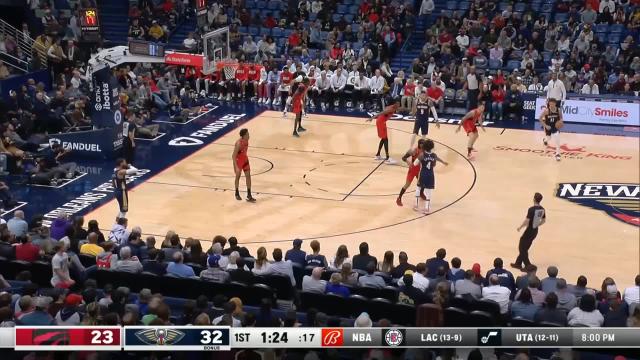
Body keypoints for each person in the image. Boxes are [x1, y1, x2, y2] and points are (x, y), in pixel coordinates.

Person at [511, 192, 546, 270]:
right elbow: (543, 220)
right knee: (525, 248)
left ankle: (528, 265)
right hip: (535, 231)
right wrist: (537, 225)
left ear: (534, 199)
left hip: (529, 231)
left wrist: (520, 227)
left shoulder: (531, 209)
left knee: (522, 248)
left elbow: (527, 220)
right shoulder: (542, 209)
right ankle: (518, 263)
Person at [414, 139, 448, 213]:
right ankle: (427, 208)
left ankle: (416, 205)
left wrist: (420, 161)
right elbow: (435, 164)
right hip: (430, 175)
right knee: (429, 191)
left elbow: (415, 163)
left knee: (418, 188)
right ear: (432, 147)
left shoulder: (422, 155)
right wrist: (443, 162)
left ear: (424, 146)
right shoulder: (434, 155)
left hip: (423, 174)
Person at [397, 139, 425, 207]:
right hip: (412, 169)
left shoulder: (424, 150)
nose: (423, 145)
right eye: (422, 144)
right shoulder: (414, 150)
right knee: (407, 185)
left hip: (419, 169)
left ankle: (421, 193)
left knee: (423, 182)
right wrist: (408, 162)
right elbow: (403, 158)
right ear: (419, 144)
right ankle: (399, 198)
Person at [232, 129, 256, 202]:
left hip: (245, 160)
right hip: (238, 161)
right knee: (238, 177)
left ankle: (249, 195)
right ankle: (236, 192)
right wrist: (236, 167)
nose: (249, 136)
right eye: (248, 134)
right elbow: (233, 156)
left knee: (248, 176)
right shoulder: (239, 143)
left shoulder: (247, 140)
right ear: (244, 135)